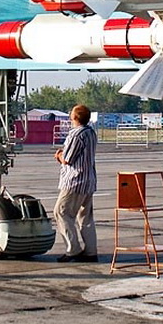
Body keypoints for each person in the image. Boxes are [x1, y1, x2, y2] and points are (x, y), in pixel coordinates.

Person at [53, 104, 99, 262]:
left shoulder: (76, 134)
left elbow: (68, 159)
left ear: (75, 117)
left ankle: (73, 249)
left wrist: (59, 155)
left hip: (75, 181)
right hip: (89, 181)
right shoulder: (91, 133)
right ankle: (91, 251)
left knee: (61, 212)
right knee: (85, 217)